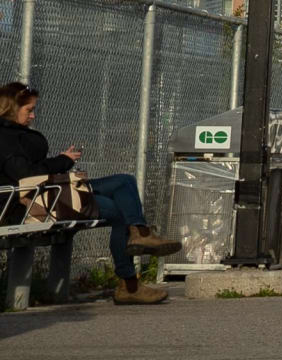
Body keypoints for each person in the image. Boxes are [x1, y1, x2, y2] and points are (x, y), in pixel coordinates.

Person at [0, 81, 164, 303]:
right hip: (30, 204)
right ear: (11, 109)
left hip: (49, 192)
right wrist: (62, 161)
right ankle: (130, 282)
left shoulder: (14, 134)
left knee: (124, 182)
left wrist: (62, 161)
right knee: (117, 211)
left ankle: (141, 234)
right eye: (29, 110)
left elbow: (30, 170)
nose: (33, 116)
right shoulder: (5, 137)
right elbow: (25, 175)